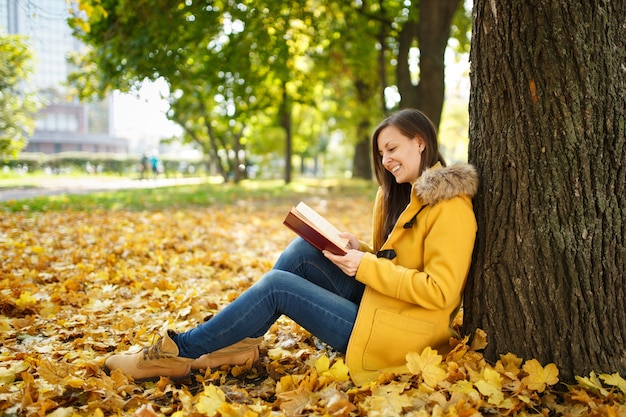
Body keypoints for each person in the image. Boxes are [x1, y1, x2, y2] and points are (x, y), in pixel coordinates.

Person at [104, 108, 478, 386]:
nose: (386, 160)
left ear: (420, 141)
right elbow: (394, 260)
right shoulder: (397, 196)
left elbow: (441, 292)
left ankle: (177, 352)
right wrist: (358, 248)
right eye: (381, 153)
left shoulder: (451, 207)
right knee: (304, 250)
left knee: (276, 287)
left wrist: (364, 264)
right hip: (380, 306)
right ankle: (236, 346)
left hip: (401, 335)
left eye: (392, 148)